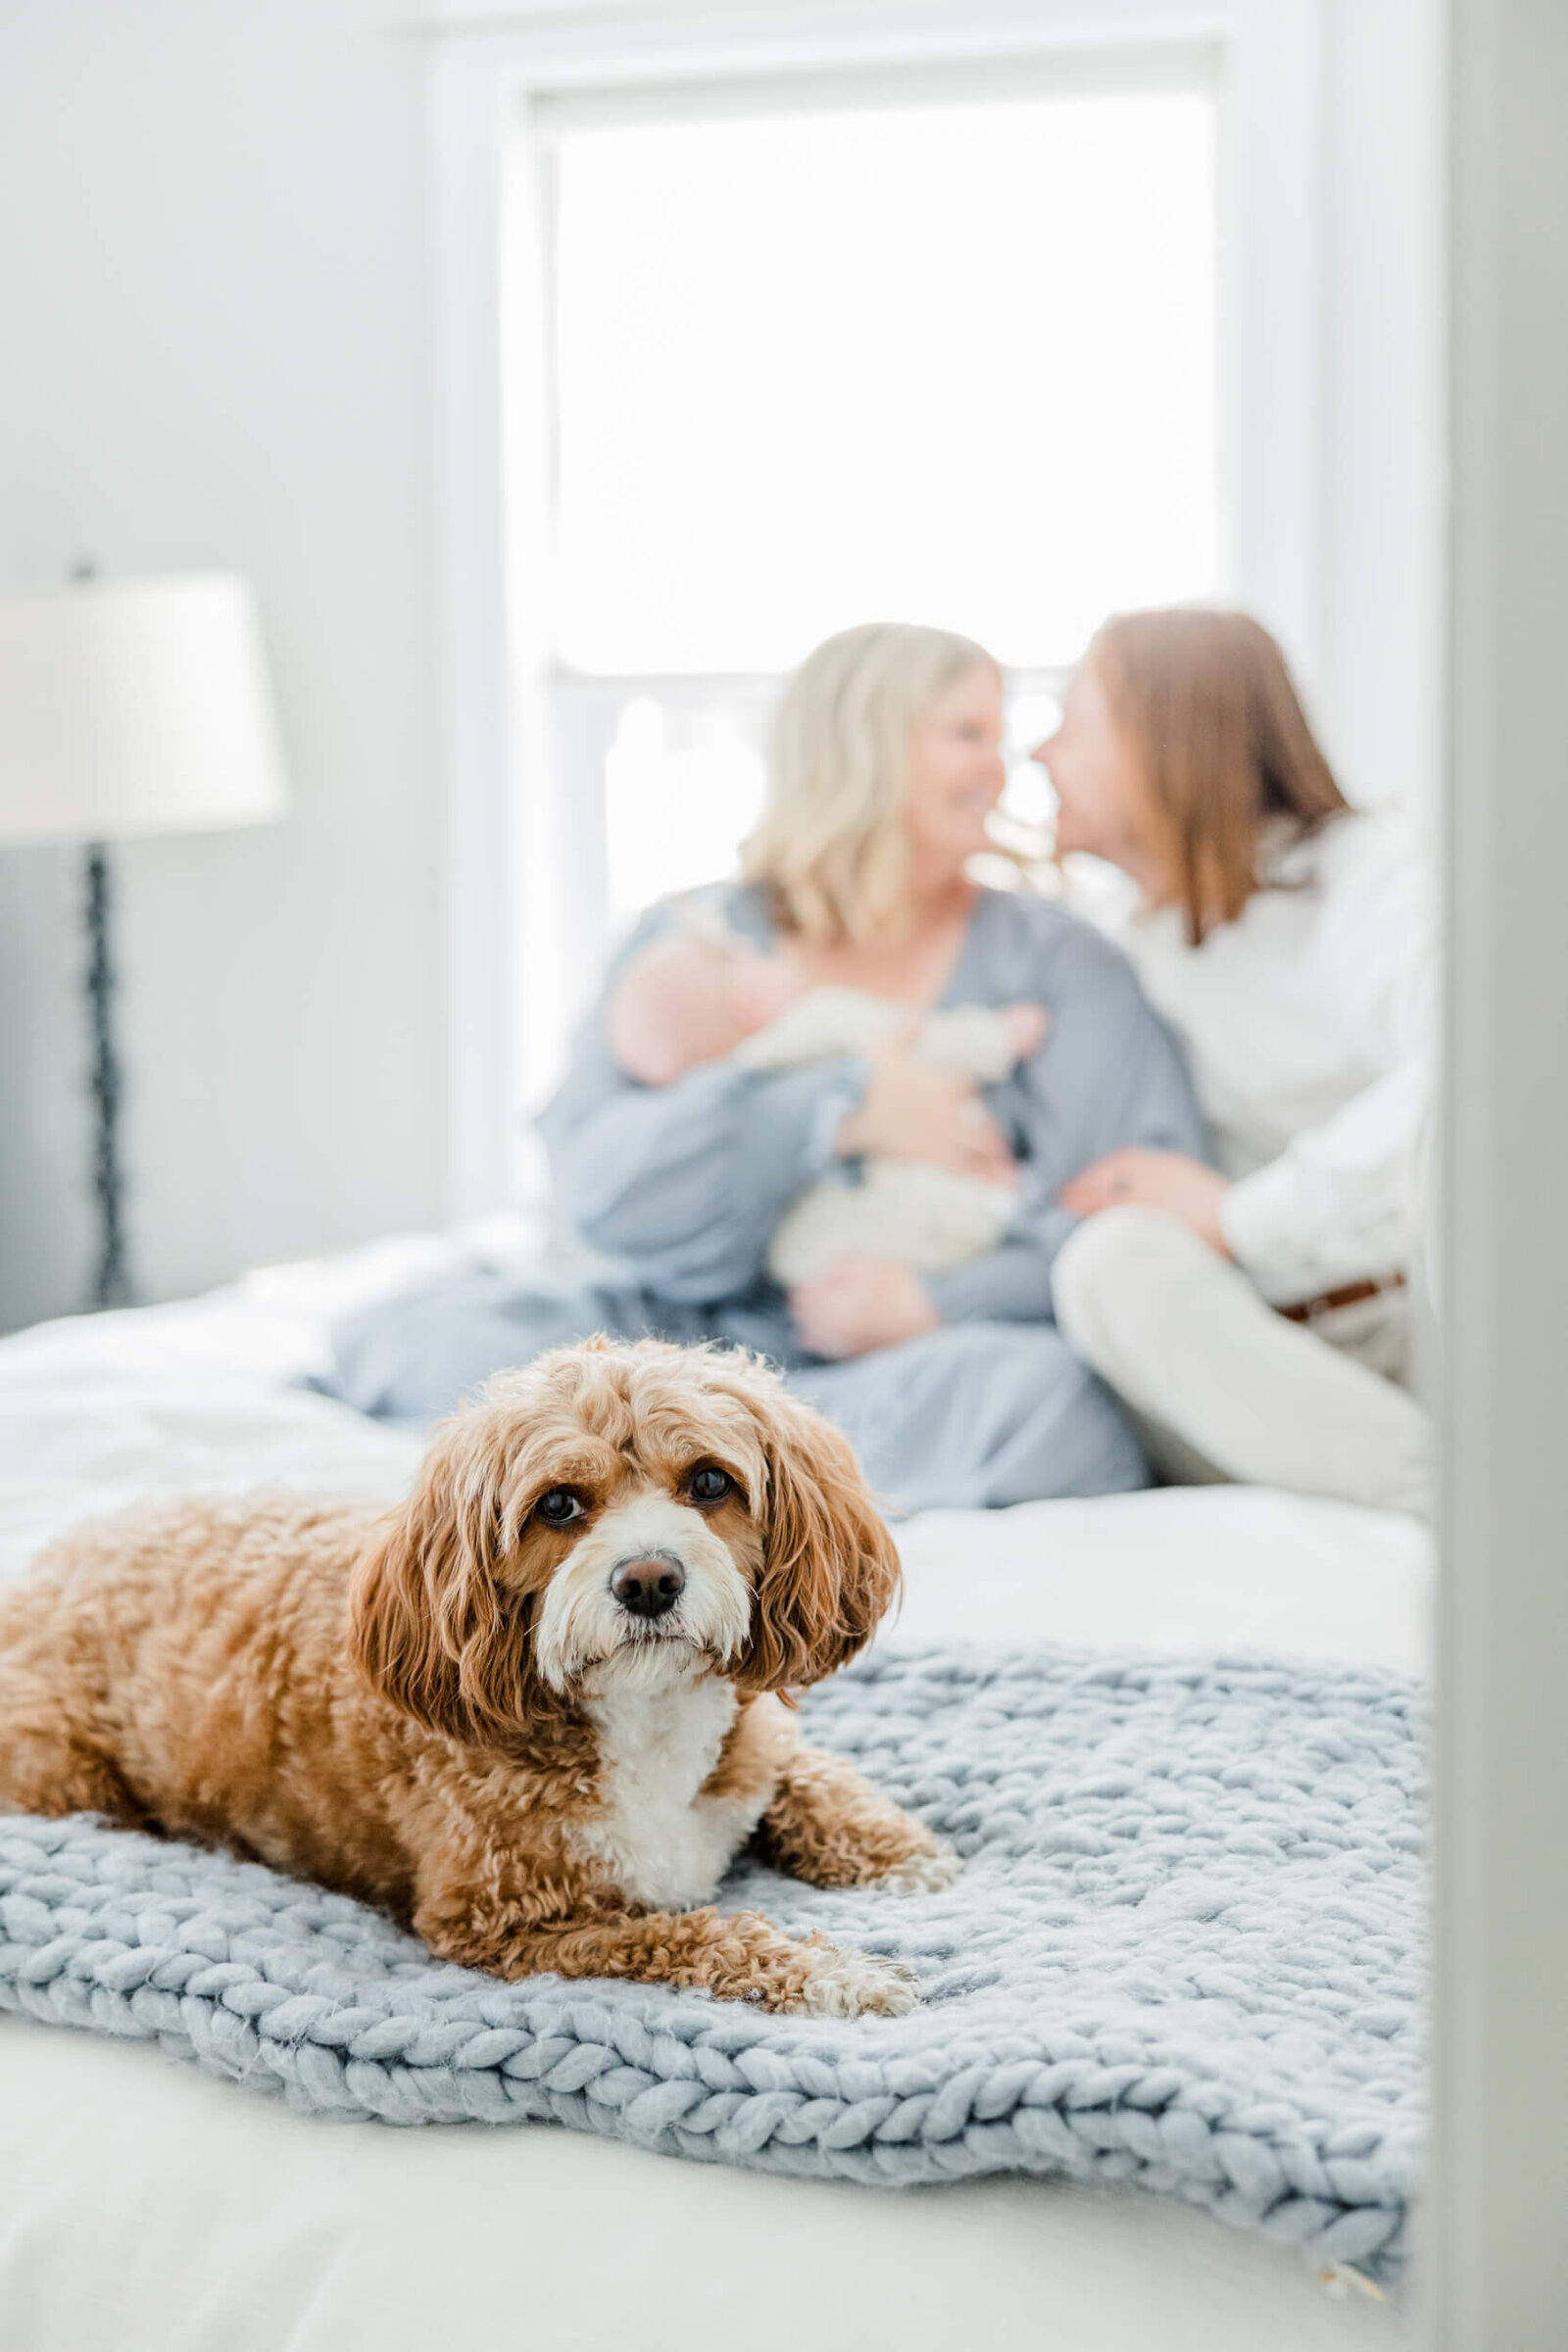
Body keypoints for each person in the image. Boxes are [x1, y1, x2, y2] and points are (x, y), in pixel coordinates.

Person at [321, 621, 1207, 1513]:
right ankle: (718, 1468)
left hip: (918, 1354)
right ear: (866, 744)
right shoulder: (698, 942)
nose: (1000, 768)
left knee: (1059, 1408)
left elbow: (1133, 1210)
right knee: (430, 1340)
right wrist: (838, 1108)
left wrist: (933, 1302)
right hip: (680, 1338)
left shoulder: (1059, 963)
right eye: (969, 734)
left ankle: (721, 1480)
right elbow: (599, 1188)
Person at [1039, 607, 1434, 1516]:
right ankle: (1442, 1501)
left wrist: (1243, 1220)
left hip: (1413, 1315)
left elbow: (1466, 1088)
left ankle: (1473, 1519)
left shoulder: (1368, 879)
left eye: (1074, 722)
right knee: (1108, 1266)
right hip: (1258, 1360)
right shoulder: (1115, 949)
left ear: (1166, 735)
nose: (1042, 755)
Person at [606, 912, 1049, 1283]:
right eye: (756, 956)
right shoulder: (819, 1017)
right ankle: (1010, 1208)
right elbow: (924, 1040)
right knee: (965, 1203)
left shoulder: (736, 1093)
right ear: (750, 1000)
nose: (773, 954)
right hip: (949, 1165)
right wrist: (999, 1036)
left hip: (832, 1241)